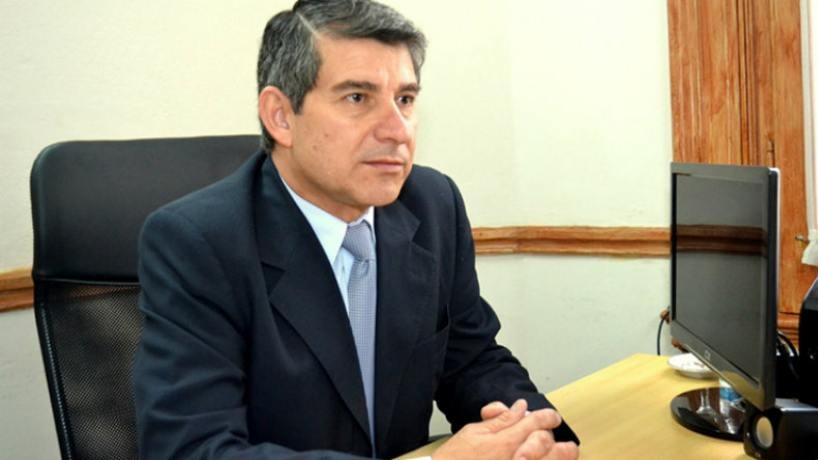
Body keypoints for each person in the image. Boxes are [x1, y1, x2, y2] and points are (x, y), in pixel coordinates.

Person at [132, 1, 579, 459]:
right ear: (280, 116)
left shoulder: (433, 204)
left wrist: (533, 435)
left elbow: (472, 359)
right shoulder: (199, 242)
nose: (397, 131)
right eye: (358, 98)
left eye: (405, 99)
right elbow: (189, 450)